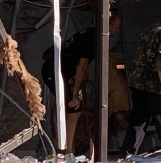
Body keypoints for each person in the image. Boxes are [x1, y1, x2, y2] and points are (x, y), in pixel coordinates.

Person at [41, 12, 122, 150]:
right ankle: (66, 150)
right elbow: (81, 67)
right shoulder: (92, 38)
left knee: (71, 109)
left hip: (60, 72)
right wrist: (74, 94)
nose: (117, 31)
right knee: (74, 109)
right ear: (109, 25)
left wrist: (78, 90)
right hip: (54, 72)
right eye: (117, 27)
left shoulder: (91, 34)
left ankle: (66, 147)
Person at [122, 7, 161, 156]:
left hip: (138, 83)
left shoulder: (149, 29)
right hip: (155, 86)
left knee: (138, 122)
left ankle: (126, 155)